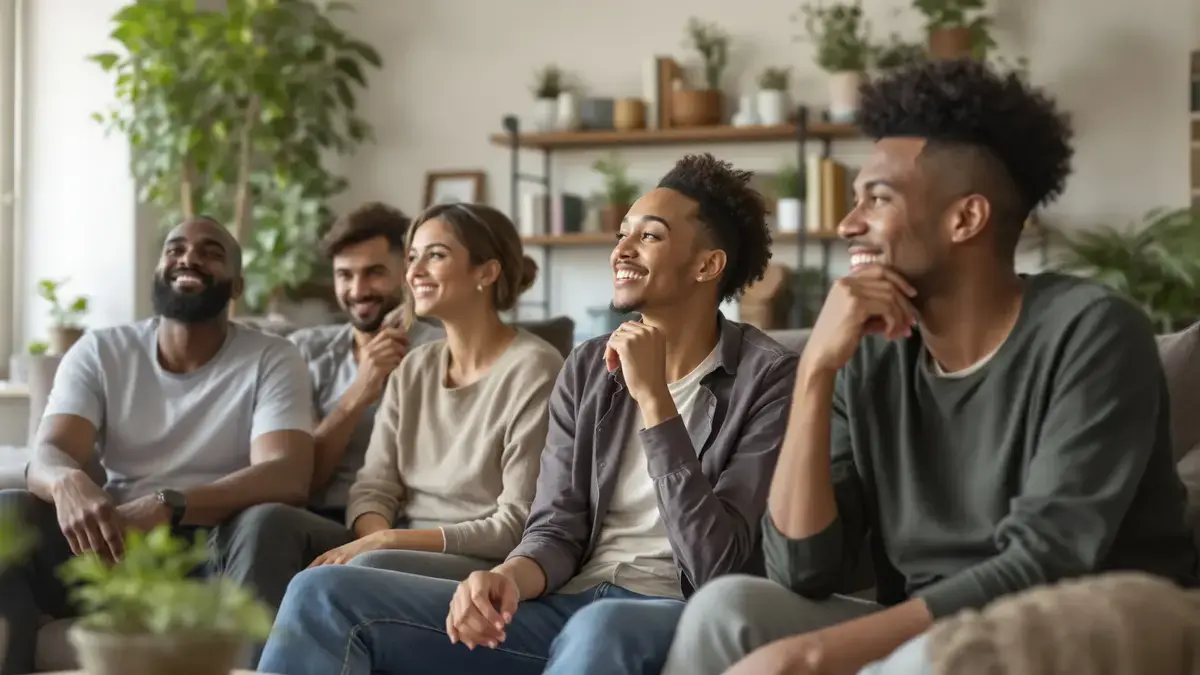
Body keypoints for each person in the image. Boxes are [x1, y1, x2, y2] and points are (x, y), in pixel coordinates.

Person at [661, 58, 1199, 675]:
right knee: (725, 610)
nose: (847, 223)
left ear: (965, 218)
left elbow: (1045, 563)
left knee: (928, 659)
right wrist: (815, 374)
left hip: (1079, 629)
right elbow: (802, 568)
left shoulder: (1092, 331)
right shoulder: (866, 353)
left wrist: (815, 653)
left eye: (877, 199)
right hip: (925, 626)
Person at [257, 154, 799, 675]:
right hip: (571, 601)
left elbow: (717, 564)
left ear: (708, 264)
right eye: (622, 235)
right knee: (322, 592)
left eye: (649, 236)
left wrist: (655, 401)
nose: (623, 250)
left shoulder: (767, 378)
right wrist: (507, 578)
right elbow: (556, 525)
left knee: (603, 625)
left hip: (670, 613)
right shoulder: (590, 364)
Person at [0, 216, 315, 674]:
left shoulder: (272, 357)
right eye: (175, 248)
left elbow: (286, 474)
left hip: (218, 545)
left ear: (237, 286)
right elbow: (47, 452)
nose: (189, 257)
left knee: (269, 522)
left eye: (211, 251)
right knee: (9, 512)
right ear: (158, 271)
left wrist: (171, 505)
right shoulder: (100, 350)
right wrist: (68, 481)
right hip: (115, 543)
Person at [297, 201, 563, 576]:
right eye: (412, 258)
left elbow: (517, 523)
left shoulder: (536, 368)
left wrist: (385, 545)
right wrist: (376, 542)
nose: (414, 273)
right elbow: (374, 487)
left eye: (435, 256)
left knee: (324, 583)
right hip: (399, 546)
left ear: (486, 272)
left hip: (483, 565)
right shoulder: (414, 366)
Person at [288, 202, 445, 523]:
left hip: (401, 522)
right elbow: (299, 479)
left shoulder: (441, 350)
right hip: (316, 518)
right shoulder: (305, 350)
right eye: (344, 275)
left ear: (407, 273)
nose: (357, 291)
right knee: (264, 519)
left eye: (374, 273)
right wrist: (361, 391)